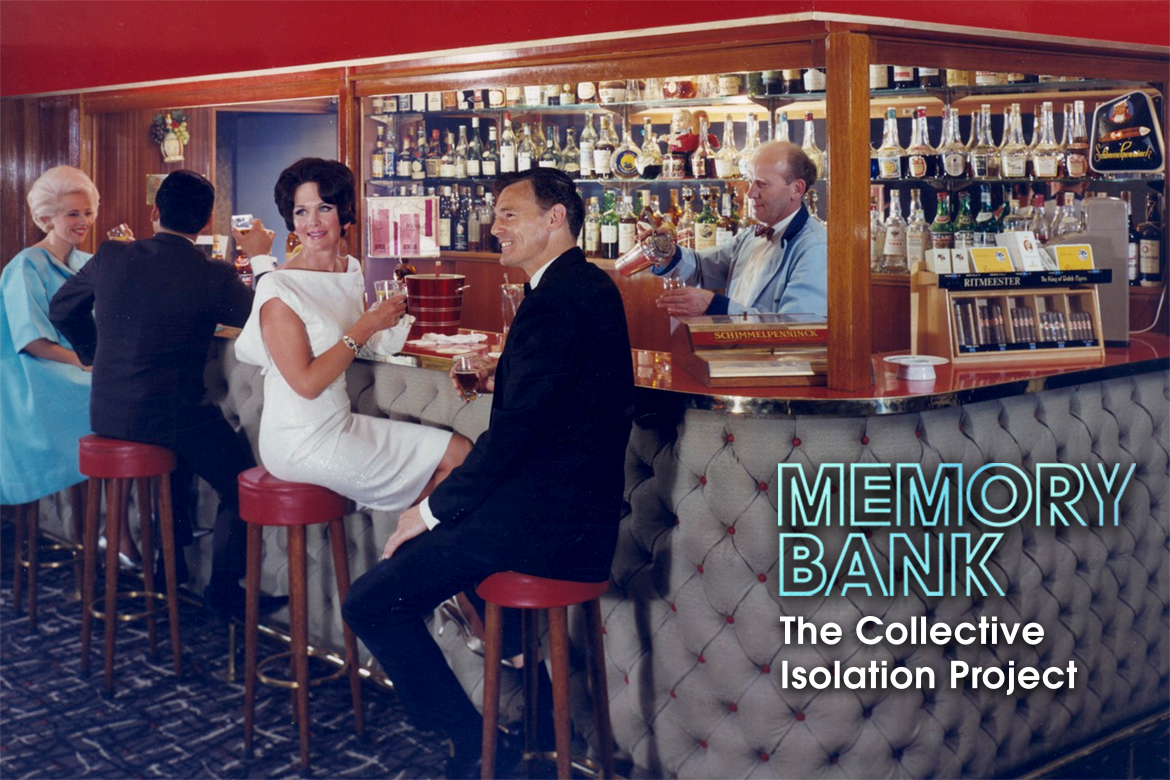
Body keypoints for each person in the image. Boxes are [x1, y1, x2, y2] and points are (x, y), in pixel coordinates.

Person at [342, 167, 634, 779]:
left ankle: (473, 740)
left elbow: (513, 441)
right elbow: (563, 396)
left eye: (508, 214)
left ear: (555, 220)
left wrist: (426, 511)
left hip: (548, 524)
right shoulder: (583, 286)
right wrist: (502, 378)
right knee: (433, 567)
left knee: (372, 601)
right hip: (571, 512)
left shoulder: (554, 301)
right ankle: (523, 696)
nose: (493, 226)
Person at [49, 170, 283, 616]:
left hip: (109, 415)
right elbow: (263, 318)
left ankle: (166, 572)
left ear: (155, 213)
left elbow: (62, 306)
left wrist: (93, 352)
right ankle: (223, 593)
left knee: (177, 463)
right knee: (239, 483)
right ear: (205, 220)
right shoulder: (211, 273)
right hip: (173, 414)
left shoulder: (112, 256)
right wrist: (259, 260)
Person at [233, 157, 470, 513]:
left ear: (344, 214)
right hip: (299, 439)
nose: (312, 222)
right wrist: (367, 326)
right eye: (300, 211)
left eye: (324, 207)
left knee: (461, 453)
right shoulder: (279, 290)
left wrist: (390, 321)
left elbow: (367, 344)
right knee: (451, 469)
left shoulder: (350, 269)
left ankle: (407, 544)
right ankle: (405, 556)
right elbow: (308, 384)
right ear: (290, 220)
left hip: (341, 421)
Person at [0, 167, 133, 556]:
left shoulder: (89, 261)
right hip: (36, 380)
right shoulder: (25, 266)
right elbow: (33, 342)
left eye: (88, 213)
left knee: (123, 399)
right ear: (46, 218)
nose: (84, 222)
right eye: (73, 214)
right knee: (118, 403)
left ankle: (116, 530)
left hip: (78, 371)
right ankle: (115, 532)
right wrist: (85, 363)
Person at [653, 140, 827, 318]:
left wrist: (716, 306)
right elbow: (700, 267)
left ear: (797, 189)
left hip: (762, 347)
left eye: (762, 184)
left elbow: (797, 328)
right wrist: (665, 251)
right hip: (732, 345)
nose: (750, 193)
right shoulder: (752, 235)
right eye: (750, 181)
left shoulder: (814, 247)